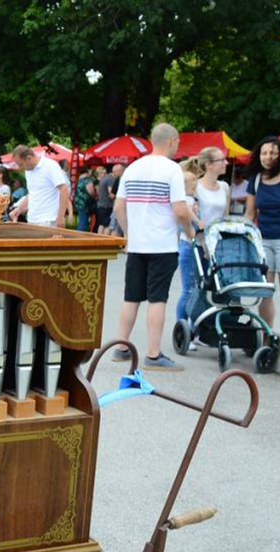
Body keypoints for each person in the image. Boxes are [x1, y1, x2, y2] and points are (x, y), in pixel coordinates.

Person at [112, 123, 192, 370]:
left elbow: (118, 208)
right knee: (158, 299)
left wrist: (128, 234)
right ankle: (153, 355)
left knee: (131, 297)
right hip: (162, 244)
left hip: (137, 244)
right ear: (172, 141)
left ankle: (121, 348)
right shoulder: (172, 170)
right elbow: (180, 209)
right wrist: (190, 231)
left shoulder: (133, 168)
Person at [245, 135, 280, 328]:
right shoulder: (255, 181)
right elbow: (249, 213)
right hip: (262, 241)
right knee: (265, 291)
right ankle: (267, 337)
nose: (268, 156)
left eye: (272, 152)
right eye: (264, 153)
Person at [8, 145, 69, 228]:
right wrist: (19, 209)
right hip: (32, 220)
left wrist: (61, 217)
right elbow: (32, 193)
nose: (20, 168)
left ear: (29, 158)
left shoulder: (50, 165)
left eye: (20, 164)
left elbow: (64, 190)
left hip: (49, 221)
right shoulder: (28, 170)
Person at [174, 168, 203, 329]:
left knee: (192, 289)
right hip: (189, 244)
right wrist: (198, 221)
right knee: (189, 290)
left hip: (187, 243)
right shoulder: (187, 200)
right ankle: (184, 326)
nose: (194, 190)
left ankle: (189, 326)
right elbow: (187, 213)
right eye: (192, 187)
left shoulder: (189, 199)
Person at [73, 166, 96, 231]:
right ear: (88, 171)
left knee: (83, 220)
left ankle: (81, 234)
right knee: (83, 222)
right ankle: (77, 237)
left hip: (78, 202)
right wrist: (95, 195)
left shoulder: (79, 179)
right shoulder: (87, 179)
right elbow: (91, 192)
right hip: (85, 203)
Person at [95, 165, 116, 234]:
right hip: (107, 206)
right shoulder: (110, 179)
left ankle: (99, 241)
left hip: (101, 205)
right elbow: (111, 194)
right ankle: (103, 242)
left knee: (101, 225)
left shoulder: (104, 179)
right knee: (106, 225)